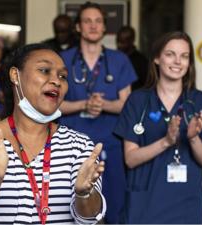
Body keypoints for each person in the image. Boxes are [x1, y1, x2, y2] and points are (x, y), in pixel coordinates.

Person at [0, 43, 106, 224]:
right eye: (45, 70)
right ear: (15, 75)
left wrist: (84, 194)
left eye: (62, 76)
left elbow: (90, 220)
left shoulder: (79, 146)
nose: (56, 80)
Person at [114, 31, 202, 223]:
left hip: (186, 205)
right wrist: (166, 141)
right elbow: (130, 159)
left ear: (189, 63)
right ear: (157, 58)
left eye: (184, 56)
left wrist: (192, 137)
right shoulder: (138, 101)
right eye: (170, 54)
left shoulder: (200, 102)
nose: (177, 61)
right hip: (145, 205)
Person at [59, 2, 137, 223]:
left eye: (98, 21)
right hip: (70, 146)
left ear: (104, 27)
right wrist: (84, 104)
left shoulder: (119, 60)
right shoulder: (63, 60)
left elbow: (126, 103)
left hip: (109, 145)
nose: (93, 26)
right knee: (68, 206)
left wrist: (103, 105)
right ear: (78, 27)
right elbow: (52, 104)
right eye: (87, 21)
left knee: (113, 206)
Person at [116, 25, 148, 90]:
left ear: (131, 41)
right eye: (118, 41)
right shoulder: (114, 58)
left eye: (122, 42)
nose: (119, 45)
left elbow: (147, 85)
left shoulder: (141, 61)